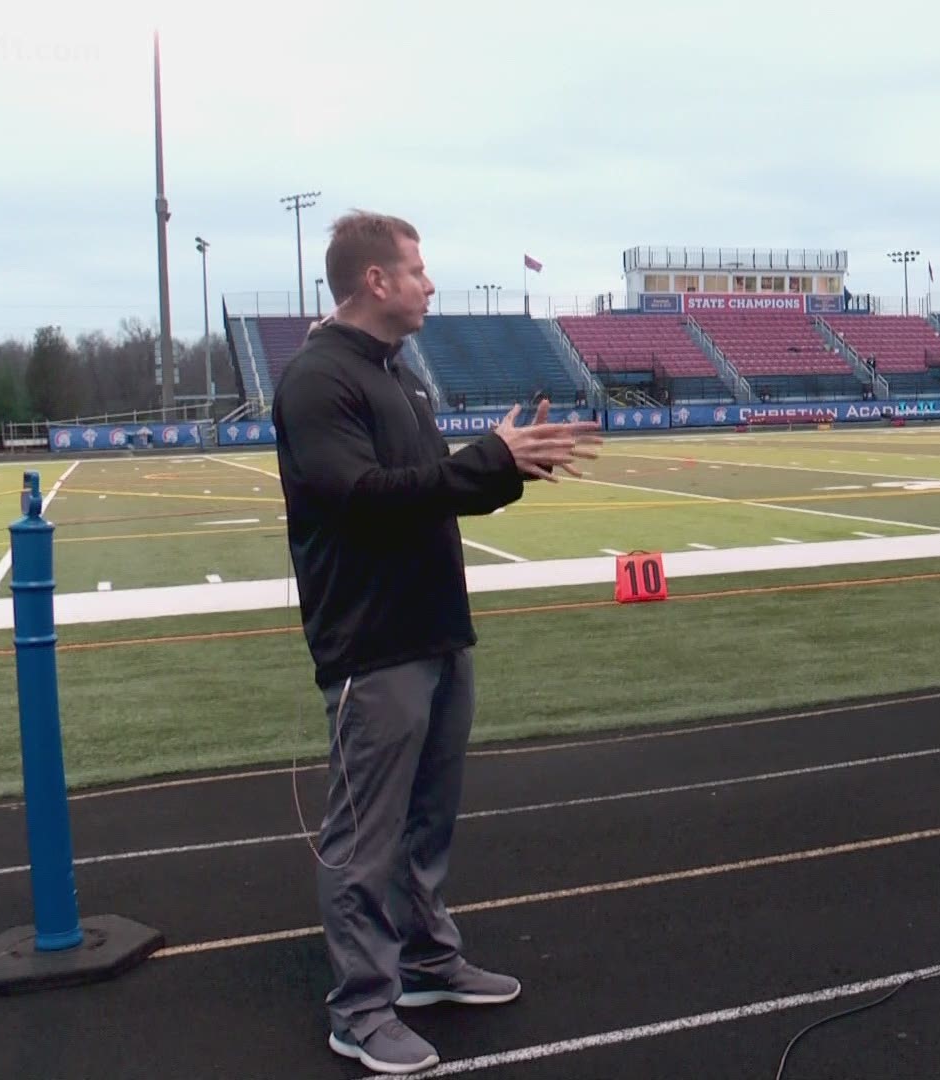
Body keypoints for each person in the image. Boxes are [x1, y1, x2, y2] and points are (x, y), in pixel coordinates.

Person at [272, 210, 602, 1075]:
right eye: (415, 269)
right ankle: (361, 1008)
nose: (428, 283)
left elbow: (429, 493)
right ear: (374, 280)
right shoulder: (318, 380)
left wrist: (503, 464)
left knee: (426, 823)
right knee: (364, 837)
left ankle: (423, 961)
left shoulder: (402, 378)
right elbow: (363, 496)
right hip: (373, 643)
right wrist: (486, 458)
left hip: (435, 631)